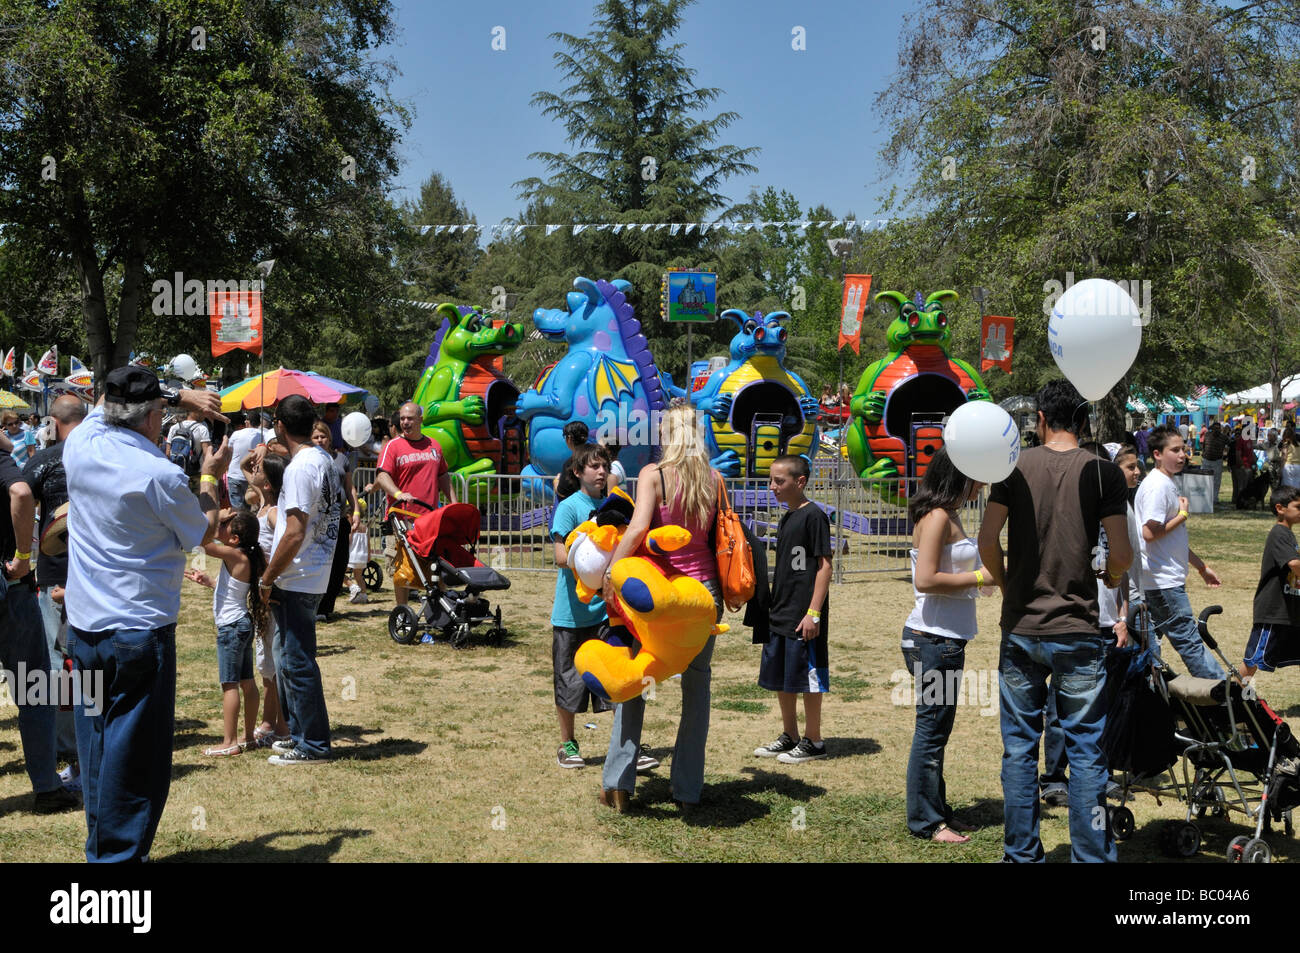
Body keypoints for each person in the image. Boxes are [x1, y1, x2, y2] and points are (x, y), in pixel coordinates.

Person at [64, 366, 229, 861]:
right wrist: (209, 475)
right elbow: (201, 532)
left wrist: (180, 396)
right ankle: (115, 863)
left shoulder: (81, 443)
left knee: (96, 746)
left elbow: (104, 398)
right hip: (139, 626)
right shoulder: (159, 474)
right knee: (134, 755)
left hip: (85, 625)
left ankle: (101, 849)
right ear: (152, 418)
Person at [977, 378, 1132, 863]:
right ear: (1083, 421)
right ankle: (1092, 854)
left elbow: (987, 542)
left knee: (1020, 749)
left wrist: (1008, 586)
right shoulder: (1104, 473)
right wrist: (1110, 574)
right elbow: (1121, 553)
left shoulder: (1013, 467)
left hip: (1022, 628)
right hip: (1080, 629)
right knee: (1087, 751)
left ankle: (1021, 854)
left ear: (1039, 419)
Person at [598, 403, 721, 813]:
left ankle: (618, 785)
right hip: (703, 597)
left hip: (657, 597)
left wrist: (611, 574)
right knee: (697, 690)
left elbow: (637, 528)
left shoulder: (654, 476)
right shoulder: (714, 479)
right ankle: (688, 792)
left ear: (668, 434)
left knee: (635, 682)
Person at [896, 446, 983, 842]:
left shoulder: (947, 515)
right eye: (977, 476)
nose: (982, 484)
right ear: (957, 475)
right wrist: (982, 578)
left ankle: (938, 810)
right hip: (934, 641)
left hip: (944, 641)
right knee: (930, 732)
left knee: (937, 731)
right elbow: (926, 580)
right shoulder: (936, 517)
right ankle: (927, 822)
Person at [258, 395, 339, 765]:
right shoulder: (324, 460)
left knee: (296, 660)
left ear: (280, 424)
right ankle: (299, 733)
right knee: (286, 655)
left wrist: (267, 577)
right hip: (312, 572)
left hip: (297, 575)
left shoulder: (301, 467)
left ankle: (314, 744)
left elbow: (294, 531)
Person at [23, 394, 88, 790]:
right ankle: (85, 733)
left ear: (52, 422)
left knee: (54, 658)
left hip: (53, 568)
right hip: (98, 572)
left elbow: (18, 496)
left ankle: (65, 738)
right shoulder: (104, 453)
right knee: (87, 654)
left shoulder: (44, 461)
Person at [752, 454, 833, 764]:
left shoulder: (814, 516)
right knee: (781, 675)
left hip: (804, 614)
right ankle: (790, 734)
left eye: (779, 481)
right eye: (771, 480)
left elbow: (824, 566)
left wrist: (814, 612)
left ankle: (814, 740)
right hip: (781, 611)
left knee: (808, 677)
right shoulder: (786, 517)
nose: (773, 486)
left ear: (800, 482)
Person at [1136, 425, 1226, 679]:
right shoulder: (1158, 486)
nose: (1182, 455)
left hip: (1160, 579)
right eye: (1175, 450)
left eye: (1183, 449)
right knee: (1189, 643)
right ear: (1156, 454)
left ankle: (1148, 699)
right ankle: (1224, 698)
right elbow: (1149, 533)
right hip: (1163, 582)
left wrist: (1200, 567)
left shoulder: (1167, 483)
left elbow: (1171, 539)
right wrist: (1183, 515)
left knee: (1147, 647)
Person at [549, 445, 614, 768]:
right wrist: (589, 561)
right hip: (571, 614)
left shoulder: (613, 506)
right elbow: (561, 557)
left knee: (614, 676)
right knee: (569, 680)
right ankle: (567, 744)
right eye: (594, 467)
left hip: (608, 611)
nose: (601, 472)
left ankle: (623, 743)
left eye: (604, 466)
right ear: (578, 473)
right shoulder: (569, 508)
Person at [184, 510, 268, 756]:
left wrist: (214, 517)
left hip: (232, 627)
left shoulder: (234, 553)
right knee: (247, 682)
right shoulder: (244, 555)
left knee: (229, 685)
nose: (220, 526)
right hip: (241, 624)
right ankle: (249, 737)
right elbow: (233, 590)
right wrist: (210, 582)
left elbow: (200, 542)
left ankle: (229, 741)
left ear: (234, 538)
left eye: (225, 525)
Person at [374, 401, 454, 607]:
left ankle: (438, 608)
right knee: (402, 567)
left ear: (421, 419)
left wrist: (454, 503)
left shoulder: (434, 446)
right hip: (400, 519)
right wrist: (398, 493)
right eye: (402, 419)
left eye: (410, 418)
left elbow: (443, 475)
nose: (405, 422)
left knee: (433, 564)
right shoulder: (393, 446)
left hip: (428, 518)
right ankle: (402, 612)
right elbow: (382, 477)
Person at [250, 453, 290, 746]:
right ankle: (269, 721)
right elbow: (244, 469)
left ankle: (281, 725)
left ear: (268, 482)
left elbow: (287, 540)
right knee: (265, 663)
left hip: (269, 592)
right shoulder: (260, 505)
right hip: (258, 595)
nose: (253, 469)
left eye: (259, 469)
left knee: (273, 664)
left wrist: (269, 571)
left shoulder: (274, 511)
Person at [1240, 486, 1300, 679]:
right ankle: (1232, 696)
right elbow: (1294, 564)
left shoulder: (1288, 535)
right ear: (1280, 508)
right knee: (1253, 660)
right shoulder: (1279, 533)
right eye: (1298, 507)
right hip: (1273, 612)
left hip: (1289, 610)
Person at [311, 421, 360, 621]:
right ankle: (316, 605)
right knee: (320, 563)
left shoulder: (341, 459)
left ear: (330, 438)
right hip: (318, 520)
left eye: (323, 436)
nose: (320, 440)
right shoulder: (309, 460)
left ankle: (327, 606)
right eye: (316, 437)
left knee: (340, 563)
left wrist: (356, 510)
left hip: (339, 519)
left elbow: (350, 487)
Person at [225, 412, 263, 512]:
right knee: (255, 509)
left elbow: (228, 453)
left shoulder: (236, 434)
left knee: (237, 511)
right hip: (253, 477)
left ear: (247, 422)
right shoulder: (264, 435)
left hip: (235, 475)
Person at [553, 420, 591, 500]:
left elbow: (562, 492)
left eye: (565, 437)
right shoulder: (595, 456)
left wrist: (556, 482)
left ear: (569, 438)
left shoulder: (570, 463)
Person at [1201, 421, 1229, 504]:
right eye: (1215, 428)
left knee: (1216, 481)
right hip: (1206, 459)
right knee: (1205, 480)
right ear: (1212, 429)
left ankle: (1215, 499)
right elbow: (1203, 446)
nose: (1217, 430)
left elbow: (1229, 445)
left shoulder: (1223, 437)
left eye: (1218, 428)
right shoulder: (1207, 435)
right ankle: (1205, 497)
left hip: (1217, 461)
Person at [1281, 425, 1300, 490]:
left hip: (1289, 466)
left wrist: (1281, 468)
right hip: (1298, 467)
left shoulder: (1286, 445)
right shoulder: (1299, 444)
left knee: (1288, 488)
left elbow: (1284, 457)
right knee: (1297, 487)